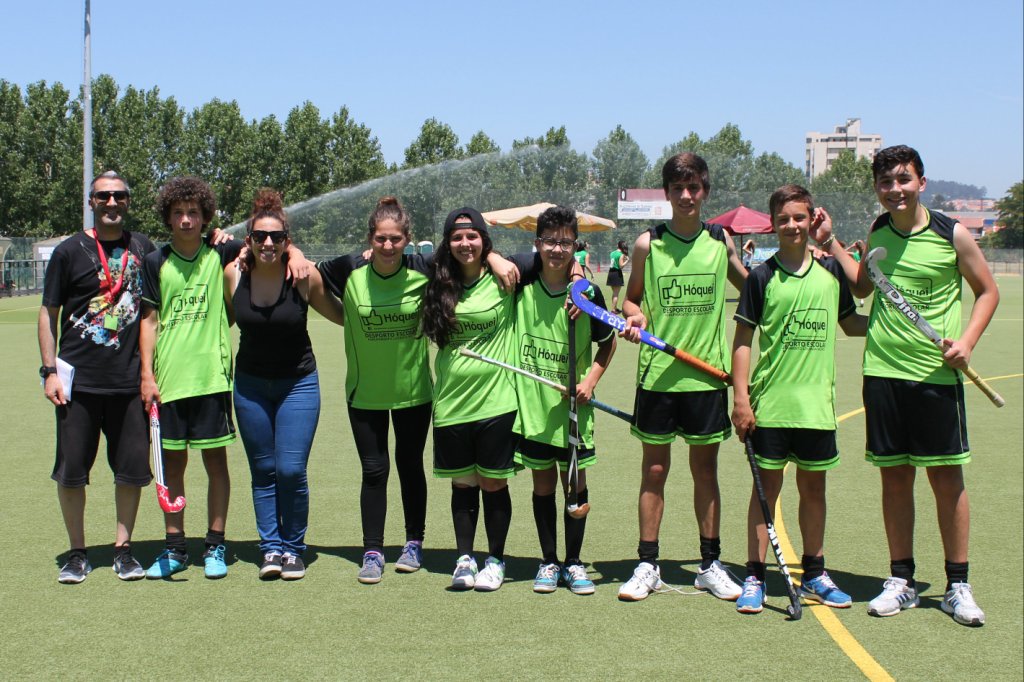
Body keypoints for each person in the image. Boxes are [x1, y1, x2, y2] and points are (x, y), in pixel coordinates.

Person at [826, 145, 999, 627]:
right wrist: (832, 242)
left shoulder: (951, 233)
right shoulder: (879, 230)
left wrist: (967, 341)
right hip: (883, 372)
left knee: (946, 479)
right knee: (896, 478)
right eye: (886, 182)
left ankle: (957, 585)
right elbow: (863, 285)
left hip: (935, 376)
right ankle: (901, 580)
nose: (895, 189)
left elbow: (988, 291)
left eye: (903, 180)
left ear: (921, 182)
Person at [617, 152, 748, 601]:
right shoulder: (647, 244)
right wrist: (634, 317)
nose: (687, 196)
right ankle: (647, 563)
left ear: (705, 191)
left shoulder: (720, 241)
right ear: (667, 193)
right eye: (678, 189)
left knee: (705, 471)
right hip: (658, 378)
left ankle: (710, 564)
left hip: (706, 378)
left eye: (694, 188)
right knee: (654, 470)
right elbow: (630, 300)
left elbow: (752, 287)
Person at [731, 185, 867, 614]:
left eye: (799, 218)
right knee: (765, 491)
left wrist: (893, 323)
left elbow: (852, 325)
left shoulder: (832, 273)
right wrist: (741, 399)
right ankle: (755, 575)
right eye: (784, 219)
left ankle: (814, 573)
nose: (792, 225)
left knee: (814, 490)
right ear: (773, 224)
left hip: (816, 408)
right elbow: (743, 340)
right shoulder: (761, 277)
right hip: (771, 405)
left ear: (812, 220)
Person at [39, 171, 155, 583]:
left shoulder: (143, 247)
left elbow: (151, 311)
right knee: (72, 473)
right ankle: (77, 553)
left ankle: (124, 550)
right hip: (78, 385)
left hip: (128, 383)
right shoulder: (69, 251)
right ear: (91, 201)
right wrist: (49, 371)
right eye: (103, 196)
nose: (111, 202)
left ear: (127, 201)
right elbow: (48, 312)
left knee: (131, 471)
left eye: (119, 195)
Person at [225, 189, 344, 581]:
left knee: (291, 470)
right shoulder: (233, 275)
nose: (268, 243)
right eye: (260, 236)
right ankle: (271, 548)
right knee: (263, 471)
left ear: (287, 241)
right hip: (250, 387)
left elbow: (343, 315)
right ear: (249, 240)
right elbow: (216, 320)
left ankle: (294, 549)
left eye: (276, 237)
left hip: (298, 384)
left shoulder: (303, 276)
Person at [317, 197, 433, 584]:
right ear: (370, 238)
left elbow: (473, 260)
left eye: (395, 239)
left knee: (410, 466)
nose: (388, 246)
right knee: (373, 470)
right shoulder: (350, 269)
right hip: (364, 393)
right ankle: (372, 551)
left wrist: (497, 259)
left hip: (414, 393)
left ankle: (413, 544)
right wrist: (344, 316)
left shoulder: (424, 269)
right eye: (381, 238)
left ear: (407, 240)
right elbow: (306, 276)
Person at [421, 207, 536, 592]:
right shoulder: (437, 280)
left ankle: (495, 561)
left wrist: (494, 257)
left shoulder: (507, 274)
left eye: (472, 236)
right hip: (452, 402)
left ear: (484, 239)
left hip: (497, 402)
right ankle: (465, 559)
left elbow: (555, 258)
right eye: (457, 237)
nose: (464, 243)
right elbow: (386, 256)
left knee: (493, 484)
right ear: (447, 243)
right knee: (463, 485)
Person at [139, 176, 245, 579]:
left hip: (211, 378)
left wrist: (230, 238)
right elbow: (149, 321)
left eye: (194, 213)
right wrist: (147, 375)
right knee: (172, 466)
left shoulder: (221, 252)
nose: (186, 219)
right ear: (168, 218)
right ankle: (175, 548)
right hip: (169, 380)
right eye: (179, 213)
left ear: (205, 217)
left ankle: (215, 545)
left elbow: (264, 244)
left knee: (216, 463)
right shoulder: (155, 262)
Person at [513, 206, 616, 595]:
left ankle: (573, 562)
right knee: (542, 486)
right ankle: (548, 561)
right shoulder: (521, 285)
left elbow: (607, 344)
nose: (557, 249)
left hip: (574, 411)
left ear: (576, 246)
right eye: (550, 241)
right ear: (537, 244)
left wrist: (590, 380)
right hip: (535, 410)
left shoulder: (588, 293)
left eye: (566, 242)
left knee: (574, 487)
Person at [606, 240, 630, 314]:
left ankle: (615, 308)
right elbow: (621, 266)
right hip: (617, 274)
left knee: (614, 293)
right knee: (616, 294)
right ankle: (613, 310)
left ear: (618, 245)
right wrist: (627, 261)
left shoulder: (612, 253)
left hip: (611, 273)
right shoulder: (621, 254)